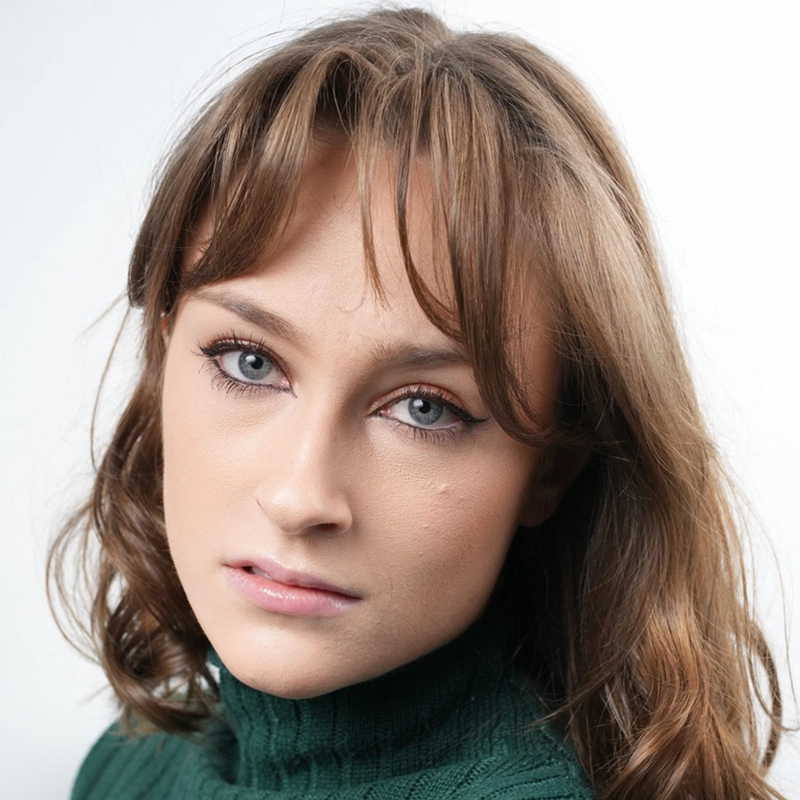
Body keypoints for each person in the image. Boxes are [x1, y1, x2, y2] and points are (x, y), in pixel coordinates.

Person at [48, 7, 786, 799]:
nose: (301, 497)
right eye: (250, 361)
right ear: (165, 354)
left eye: (424, 408)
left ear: (552, 471)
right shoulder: (131, 769)